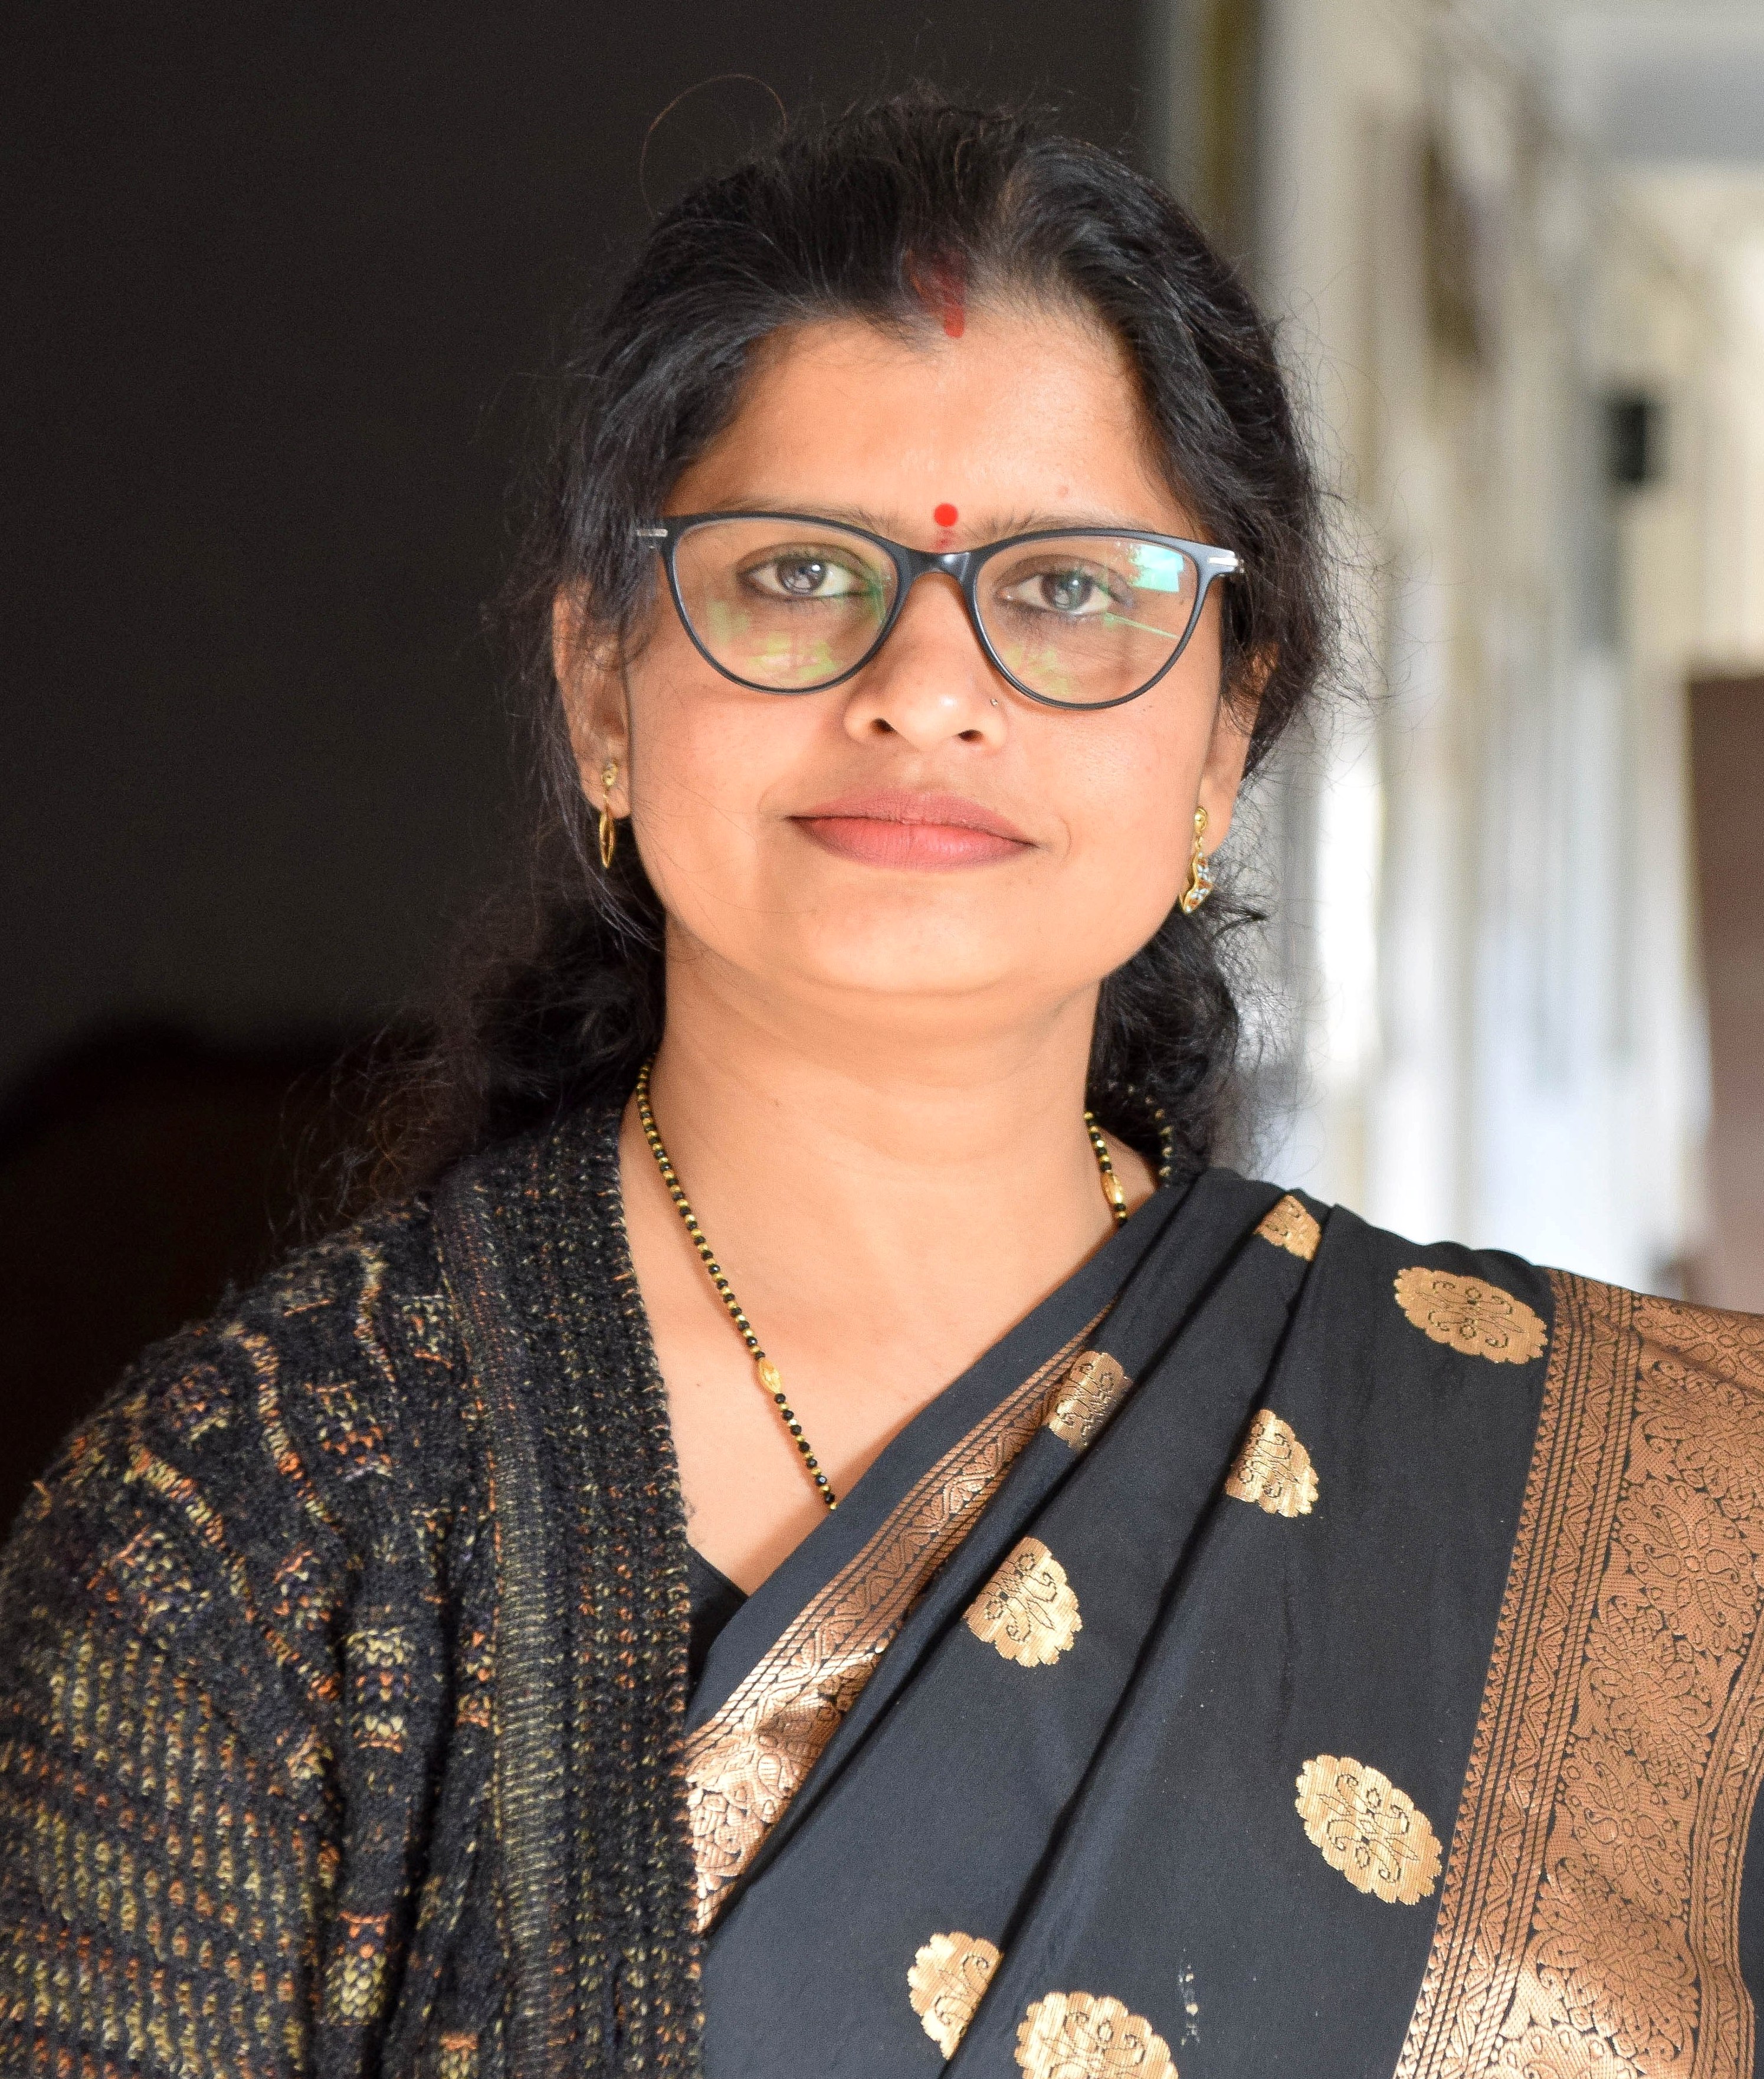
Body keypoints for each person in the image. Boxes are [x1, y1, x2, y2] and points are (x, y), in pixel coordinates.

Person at [4, 91, 1762, 2079]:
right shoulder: (254, 1524)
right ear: (602, 688)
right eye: (793, 575)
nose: (926, 687)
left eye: (1071, 589)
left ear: (1223, 736)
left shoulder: (1645, 1521)